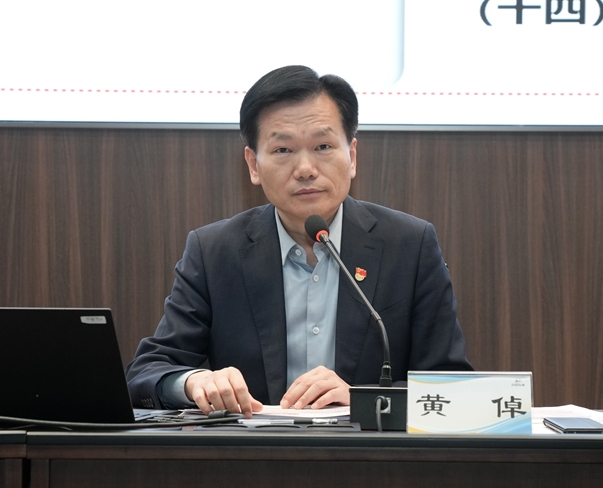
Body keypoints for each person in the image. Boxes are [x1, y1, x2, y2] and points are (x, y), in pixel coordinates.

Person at [125, 65, 472, 418]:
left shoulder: (410, 246)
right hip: (253, 450)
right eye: (283, 150)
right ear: (253, 165)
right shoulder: (214, 252)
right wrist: (193, 381)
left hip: (368, 449)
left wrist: (364, 398)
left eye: (323, 146)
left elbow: (452, 386)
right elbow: (146, 373)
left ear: (351, 156)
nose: (305, 168)